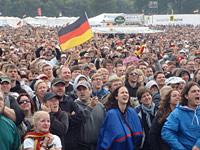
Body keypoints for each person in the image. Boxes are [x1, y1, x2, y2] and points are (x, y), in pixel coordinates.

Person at [97, 86, 143, 150]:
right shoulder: (111, 114)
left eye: (126, 93)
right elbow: (108, 137)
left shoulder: (132, 112)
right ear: (116, 97)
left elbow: (139, 134)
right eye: (122, 93)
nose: (125, 94)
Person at [162, 81, 200, 150]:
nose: (197, 93)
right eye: (194, 91)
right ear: (186, 96)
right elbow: (166, 132)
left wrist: (198, 145)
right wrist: (180, 148)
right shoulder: (177, 113)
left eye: (198, 91)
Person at [75, 80, 105, 150]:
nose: (82, 91)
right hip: (81, 146)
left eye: (84, 89)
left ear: (90, 90)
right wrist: (90, 106)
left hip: (99, 145)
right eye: (79, 90)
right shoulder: (74, 106)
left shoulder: (100, 106)